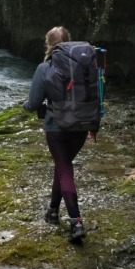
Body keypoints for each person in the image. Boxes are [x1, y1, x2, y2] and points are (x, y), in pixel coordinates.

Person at [22, 26, 89, 242]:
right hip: (82, 124)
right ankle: (52, 210)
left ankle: (76, 222)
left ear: (49, 45)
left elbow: (33, 103)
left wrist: (25, 106)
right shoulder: (84, 64)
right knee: (62, 166)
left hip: (57, 127)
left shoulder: (44, 68)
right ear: (69, 42)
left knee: (64, 169)